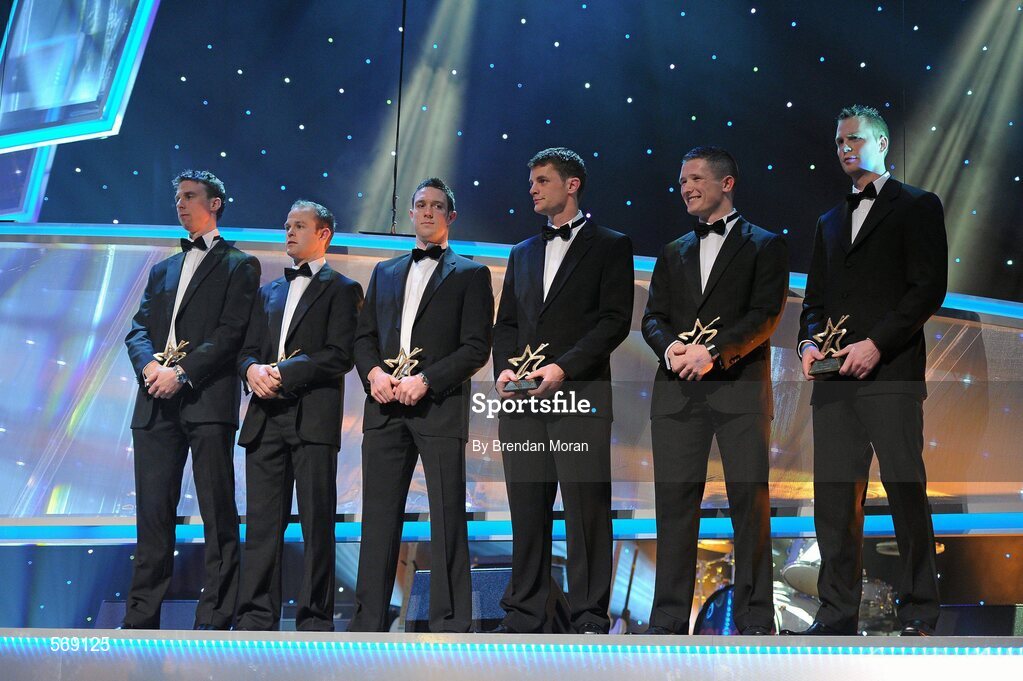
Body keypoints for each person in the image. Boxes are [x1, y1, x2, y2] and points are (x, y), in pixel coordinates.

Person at [792, 105, 947, 636]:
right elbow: (814, 300)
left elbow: (927, 288)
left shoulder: (918, 205)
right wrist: (808, 343)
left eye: (855, 139)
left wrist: (877, 344)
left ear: (882, 143)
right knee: (834, 499)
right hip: (833, 380)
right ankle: (836, 614)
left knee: (905, 490)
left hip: (892, 373)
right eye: (839, 141)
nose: (845, 148)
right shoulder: (828, 221)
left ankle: (919, 612)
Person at [641, 146, 788, 636]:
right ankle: (667, 621)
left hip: (740, 390)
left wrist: (715, 352)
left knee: (750, 504)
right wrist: (671, 350)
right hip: (677, 391)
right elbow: (653, 317)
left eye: (695, 178)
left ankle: (755, 618)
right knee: (675, 506)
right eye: (682, 180)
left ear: (726, 183)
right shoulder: (673, 250)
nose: (685, 187)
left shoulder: (765, 244)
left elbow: (765, 314)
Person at [492, 147, 634, 634]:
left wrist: (563, 368)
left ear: (572, 185)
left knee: (585, 507)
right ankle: (524, 611)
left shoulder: (611, 245)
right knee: (526, 506)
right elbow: (507, 324)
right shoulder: (522, 252)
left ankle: (589, 615)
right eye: (531, 181)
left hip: (580, 395)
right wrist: (504, 372)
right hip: (522, 400)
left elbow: (613, 321)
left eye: (542, 180)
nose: (532, 189)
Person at [349, 178, 493, 633]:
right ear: (410, 213)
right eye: (420, 205)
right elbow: (363, 338)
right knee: (377, 517)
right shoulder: (385, 272)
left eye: (436, 206)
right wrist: (374, 375)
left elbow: (476, 348)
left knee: (447, 515)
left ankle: (451, 622)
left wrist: (426, 381)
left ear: (451, 216)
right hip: (385, 407)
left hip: (438, 407)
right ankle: (368, 623)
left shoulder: (470, 274)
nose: (427, 212)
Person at [122, 170, 260, 629]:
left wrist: (181, 373)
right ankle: (140, 620)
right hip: (155, 401)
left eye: (189, 196)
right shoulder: (163, 269)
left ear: (214, 203)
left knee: (217, 510)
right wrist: (150, 368)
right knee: (152, 513)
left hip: (206, 401)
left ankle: (215, 619)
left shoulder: (240, 264)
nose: (180, 204)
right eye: (177, 197)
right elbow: (138, 329)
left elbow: (230, 333)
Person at [234, 200, 364, 631]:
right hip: (265, 417)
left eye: (299, 226)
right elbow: (246, 350)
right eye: (287, 225)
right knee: (262, 525)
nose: (289, 232)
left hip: (312, 419)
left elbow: (339, 354)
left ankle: (314, 619)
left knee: (316, 523)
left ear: (323, 233)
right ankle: (256, 617)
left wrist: (283, 372)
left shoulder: (343, 289)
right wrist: (252, 370)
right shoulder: (267, 291)